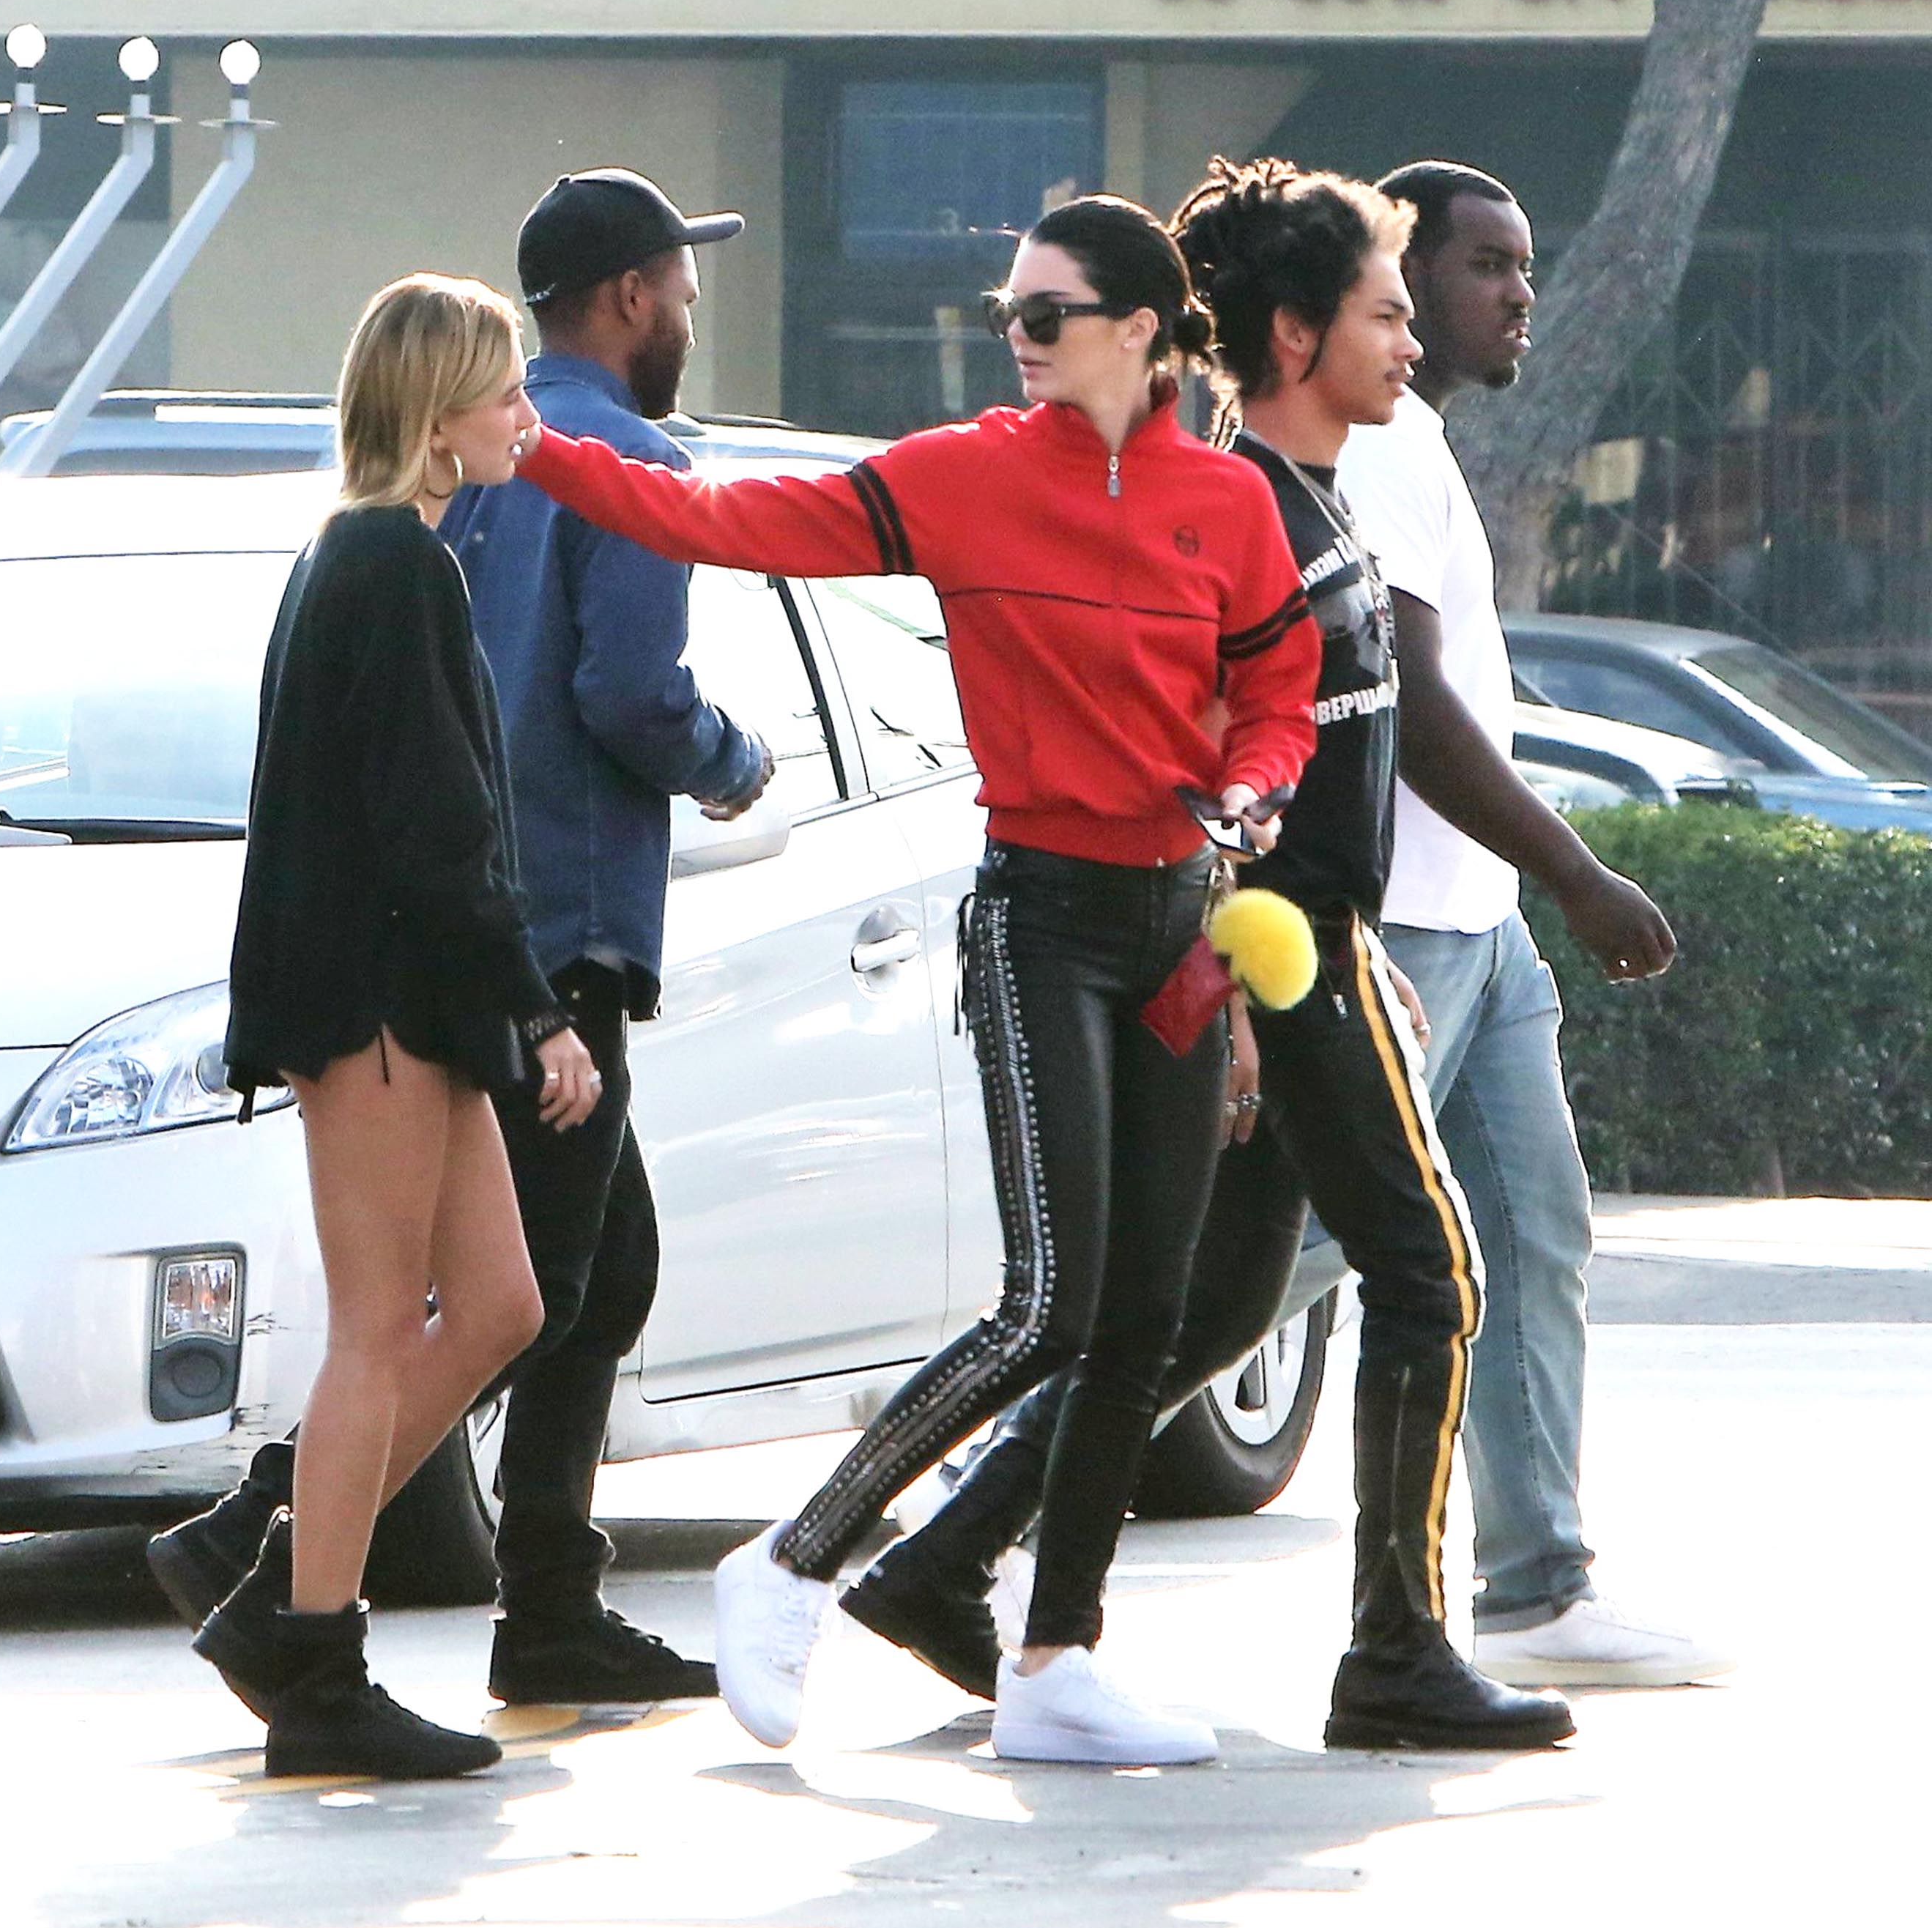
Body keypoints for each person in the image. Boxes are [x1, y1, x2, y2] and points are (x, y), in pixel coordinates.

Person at [513, 194, 1323, 1765]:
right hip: (1041, 921)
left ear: (1140, 332)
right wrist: (539, 453)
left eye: (1043, 316)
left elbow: (1278, 687)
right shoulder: (963, 475)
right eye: (1006, 311)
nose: (1012, 337)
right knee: (1049, 1306)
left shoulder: (1226, 501)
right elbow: (716, 522)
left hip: (1182, 925)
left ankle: (1057, 1660)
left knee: (1143, 1317)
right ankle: (791, 1561)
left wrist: (1258, 782)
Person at [857, 160, 1576, 1752]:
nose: (1410, 340)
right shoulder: (1247, 506)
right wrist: (1242, 986)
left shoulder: (1313, 492)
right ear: (1293, 334)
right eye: (1385, 312)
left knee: (1216, 1305)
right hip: (1265, 951)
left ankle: (942, 1564)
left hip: (1297, 948)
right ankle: (1396, 1653)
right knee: (1430, 1270)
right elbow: (1194, 767)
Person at [178, 273, 600, 1779]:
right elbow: (439, 829)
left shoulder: (368, 555)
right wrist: (538, 1012)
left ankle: (275, 1594)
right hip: (374, 1006)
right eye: (504, 391)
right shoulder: (391, 566)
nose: (524, 417)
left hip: (403, 1001)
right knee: (376, 1330)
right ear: (435, 416)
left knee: (499, 1307)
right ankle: (315, 1658)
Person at [1333, 160, 1729, 1687]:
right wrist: (1578, 873)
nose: (1521, 294)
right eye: (1487, 266)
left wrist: (1529, 893)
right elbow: (1411, 710)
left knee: (1529, 1237)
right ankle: (971, 1536)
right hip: (1404, 933)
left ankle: (1540, 1589)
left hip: (1476, 931)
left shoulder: (1420, 441)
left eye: (1525, 264)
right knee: (1261, 1269)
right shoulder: (1380, 447)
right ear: (1401, 281)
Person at [439, 169, 772, 1705]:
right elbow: (630, 697)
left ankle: (550, 1600)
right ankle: (268, 1528)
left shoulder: (466, 453)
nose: (690, 310)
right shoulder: (631, 462)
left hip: (461, 913)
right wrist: (730, 760)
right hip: (567, 925)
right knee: (544, 1282)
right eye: (681, 286)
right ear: (630, 296)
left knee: (595, 1266)